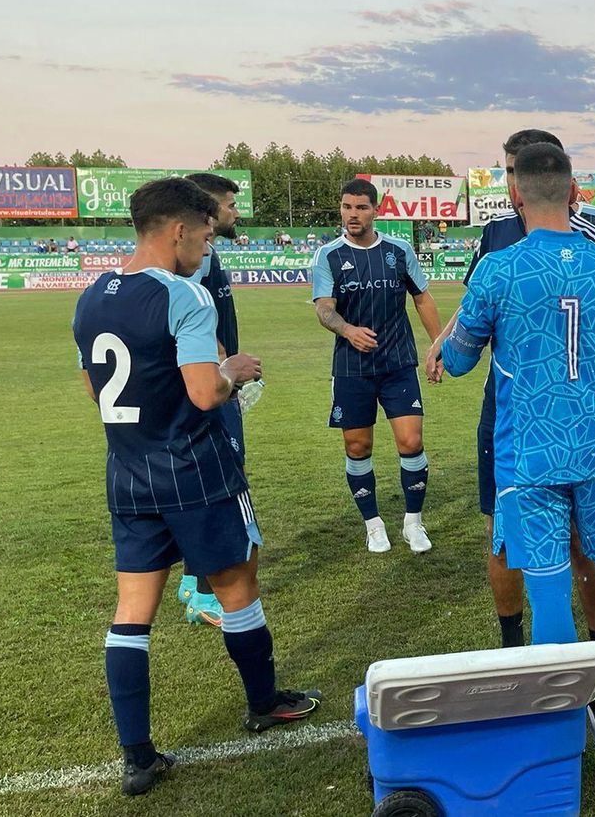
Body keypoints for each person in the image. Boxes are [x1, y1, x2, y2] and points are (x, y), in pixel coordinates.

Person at [72, 178, 318, 797]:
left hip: (129, 475)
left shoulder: (92, 295)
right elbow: (206, 391)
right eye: (205, 236)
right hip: (196, 472)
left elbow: (93, 390)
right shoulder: (184, 295)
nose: (208, 248)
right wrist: (234, 369)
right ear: (179, 230)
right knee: (239, 589)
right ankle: (264, 703)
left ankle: (137, 756)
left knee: (132, 613)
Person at [439, 142, 595, 733]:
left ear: (516, 194)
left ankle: (567, 710)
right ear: (575, 195)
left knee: (547, 584)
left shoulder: (498, 267)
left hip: (529, 452)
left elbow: (461, 362)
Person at [423, 130, 595, 696]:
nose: (511, 183)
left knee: (585, 540)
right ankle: (515, 650)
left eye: (516, 171)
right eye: (506, 170)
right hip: (512, 410)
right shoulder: (496, 235)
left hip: (580, 410)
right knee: (506, 534)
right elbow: (474, 309)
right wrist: (444, 338)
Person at [312, 179, 441, 555]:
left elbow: (422, 299)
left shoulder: (399, 251)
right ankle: (373, 524)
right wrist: (347, 329)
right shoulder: (329, 256)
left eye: (361, 208)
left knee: (411, 441)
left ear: (375, 210)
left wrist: (437, 346)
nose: (353, 214)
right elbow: (323, 307)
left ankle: (413, 523)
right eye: (347, 207)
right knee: (357, 446)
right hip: (352, 367)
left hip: (398, 362)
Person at [171, 172, 249, 625]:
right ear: (208, 208)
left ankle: (192, 578)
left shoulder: (208, 253)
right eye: (229, 204)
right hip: (211, 386)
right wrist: (227, 373)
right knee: (221, 481)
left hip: (217, 381)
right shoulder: (194, 262)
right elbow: (199, 330)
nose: (234, 212)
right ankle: (205, 591)